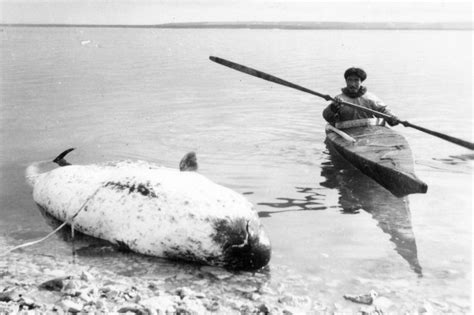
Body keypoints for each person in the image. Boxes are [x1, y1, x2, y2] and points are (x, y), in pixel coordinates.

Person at [322, 67, 399, 128]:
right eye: (349, 80)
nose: (352, 84)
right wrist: (333, 108)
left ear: (361, 81)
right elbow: (327, 117)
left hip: (369, 130)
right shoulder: (339, 99)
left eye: (356, 80)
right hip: (346, 132)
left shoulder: (370, 98)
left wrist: (392, 118)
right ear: (346, 81)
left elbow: (383, 110)